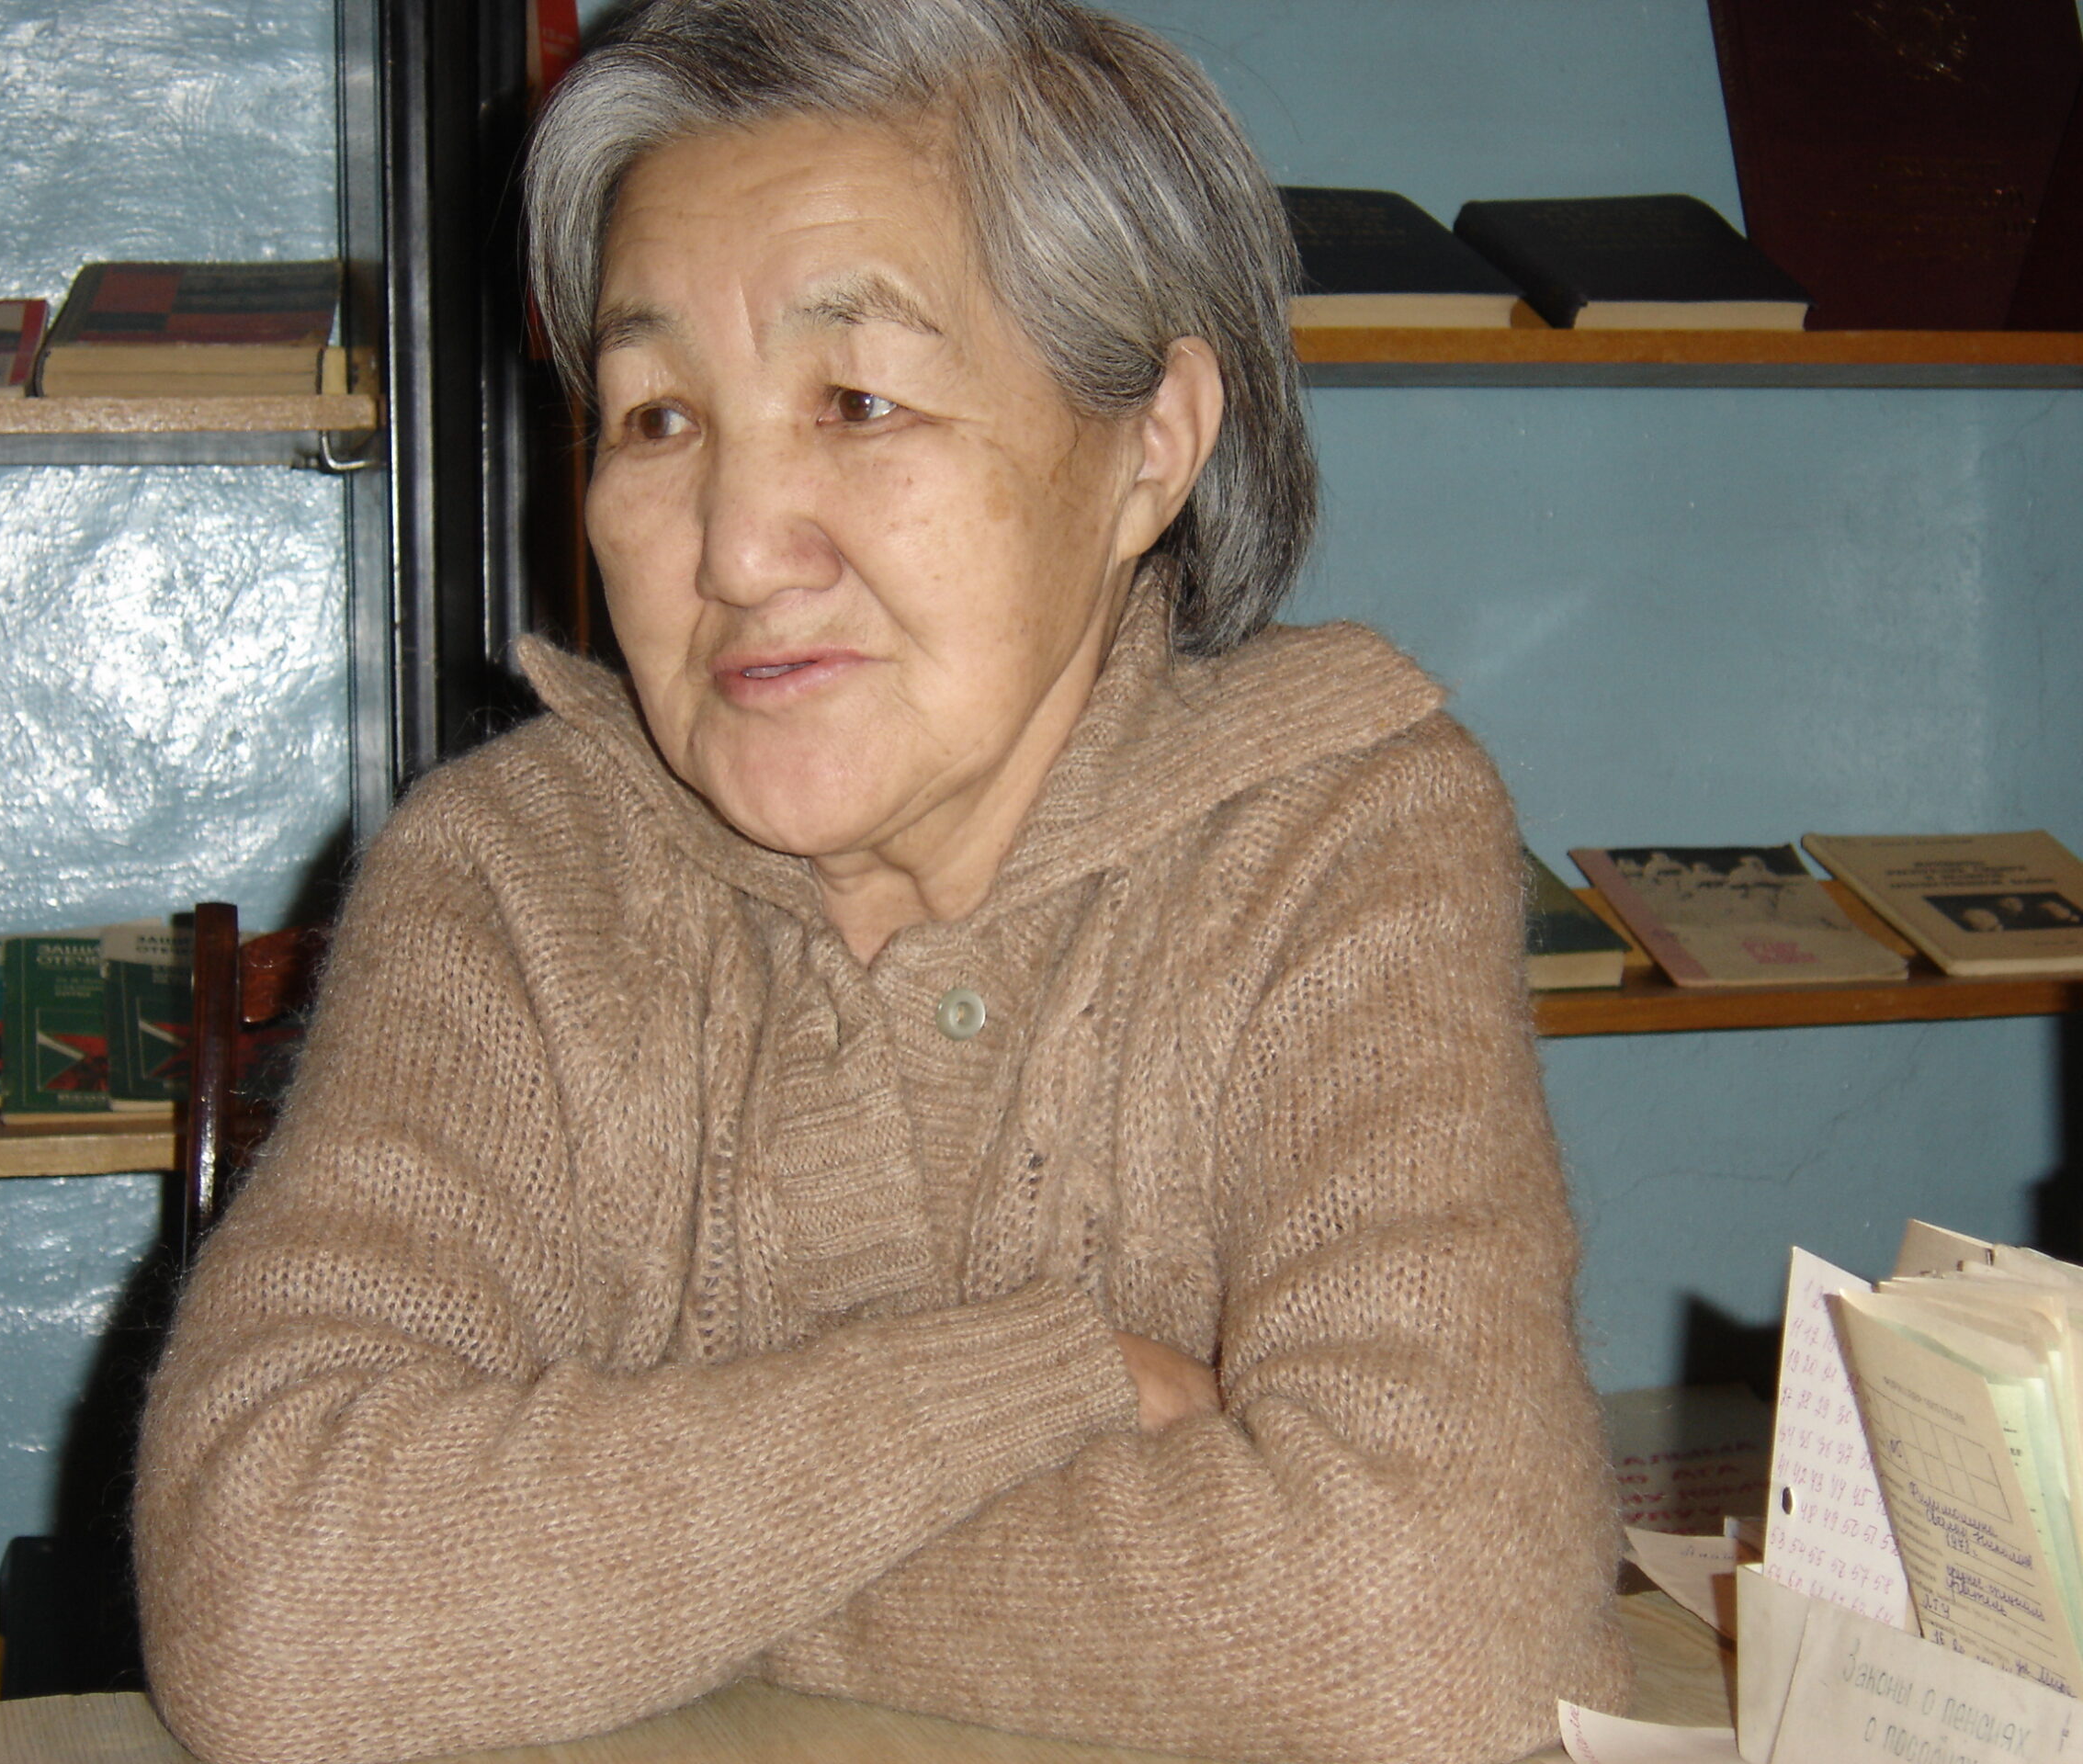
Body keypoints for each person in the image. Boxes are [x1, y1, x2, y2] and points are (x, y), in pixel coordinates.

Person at [132, 2, 1631, 1760]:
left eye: (857, 400)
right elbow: (271, 1604)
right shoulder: (513, 881)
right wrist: (1046, 1386)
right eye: (658, 417)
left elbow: (1433, 1618)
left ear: (1150, 443)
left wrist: (616, 1582)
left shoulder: (1337, 838)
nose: (737, 548)